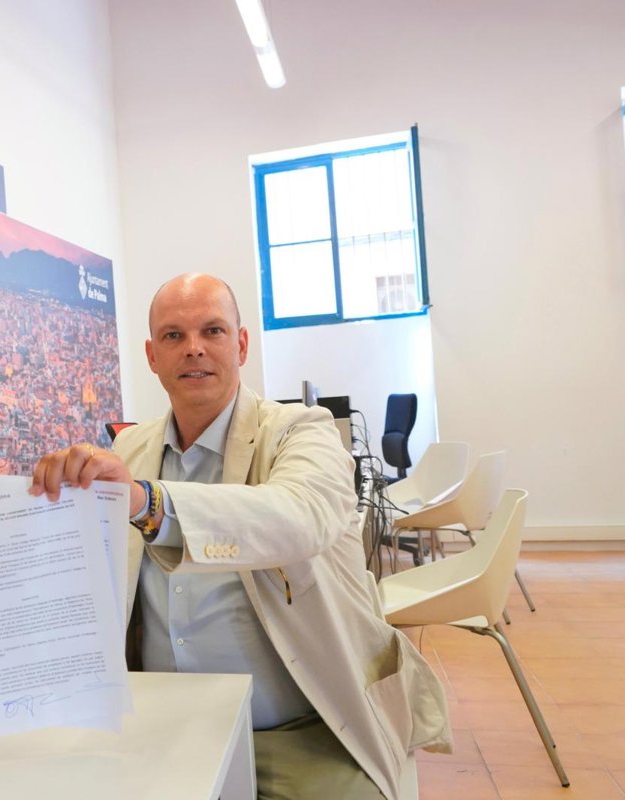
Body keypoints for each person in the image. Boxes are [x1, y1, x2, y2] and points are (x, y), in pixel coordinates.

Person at [30, 273, 450, 800]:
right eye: (174, 336)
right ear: (152, 356)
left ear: (242, 344)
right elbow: (77, 565)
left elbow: (300, 516)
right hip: (162, 727)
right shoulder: (129, 449)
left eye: (213, 331)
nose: (194, 348)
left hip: (300, 730)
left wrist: (149, 503)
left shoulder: (302, 429)